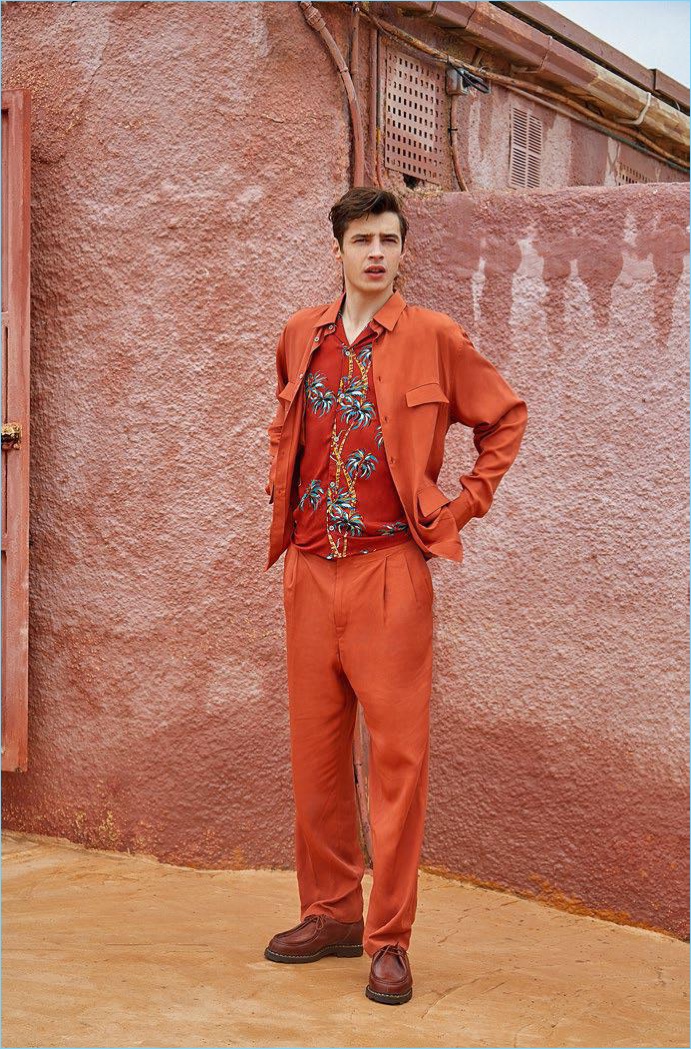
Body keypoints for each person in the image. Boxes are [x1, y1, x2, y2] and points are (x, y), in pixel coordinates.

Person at [263, 187, 528, 1005]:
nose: (375, 252)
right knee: (315, 760)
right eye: (360, 239)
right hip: (309, 571)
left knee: (397, 763)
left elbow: (505, 417)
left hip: (389, 573)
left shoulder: (435, 338)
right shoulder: (299, 335)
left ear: (401, 250)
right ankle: (333, 911)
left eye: (388, 239)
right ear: (338, 250)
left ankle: (388, 938)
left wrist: (459, 507)